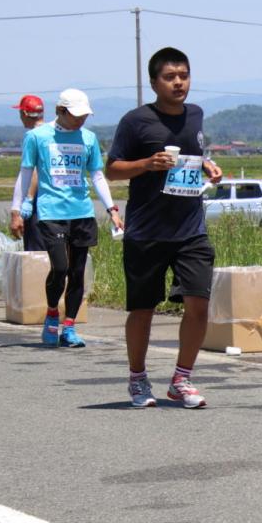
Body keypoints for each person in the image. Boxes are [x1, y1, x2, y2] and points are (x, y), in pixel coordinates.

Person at [106, 47, 223, 409]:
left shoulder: (196, 115)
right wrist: (146, 163)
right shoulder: (136, 121)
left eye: (184, 75)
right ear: (154, 82)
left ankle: (181, 379)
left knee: (199, 304)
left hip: (190, 229)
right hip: (146, 231)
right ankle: (138, 379)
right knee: (143, 309)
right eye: (170, 77)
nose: (179, 83)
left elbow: (193, 153)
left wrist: (207, 166)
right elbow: (112, 169)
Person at [10, 90, 123, 347]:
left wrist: (112, 209)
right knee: (60, 267)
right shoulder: (37, 137)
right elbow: (26, 172)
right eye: (76, 115)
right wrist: (18, 207)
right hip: (51, 212)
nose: (81, 120)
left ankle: (69, 326)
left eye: (84, 115)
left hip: (81, 212)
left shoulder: (89, 138)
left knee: (77, 271)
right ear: (60, 111)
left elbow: (96, 175)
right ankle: (52, 314)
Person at [10, 95, 47, 251]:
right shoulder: (53, 133)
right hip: (56, 207)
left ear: (24, 114)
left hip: (37, 204)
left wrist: (16, 210)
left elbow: (28, 174)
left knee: (37, 254)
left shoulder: (32, 136)